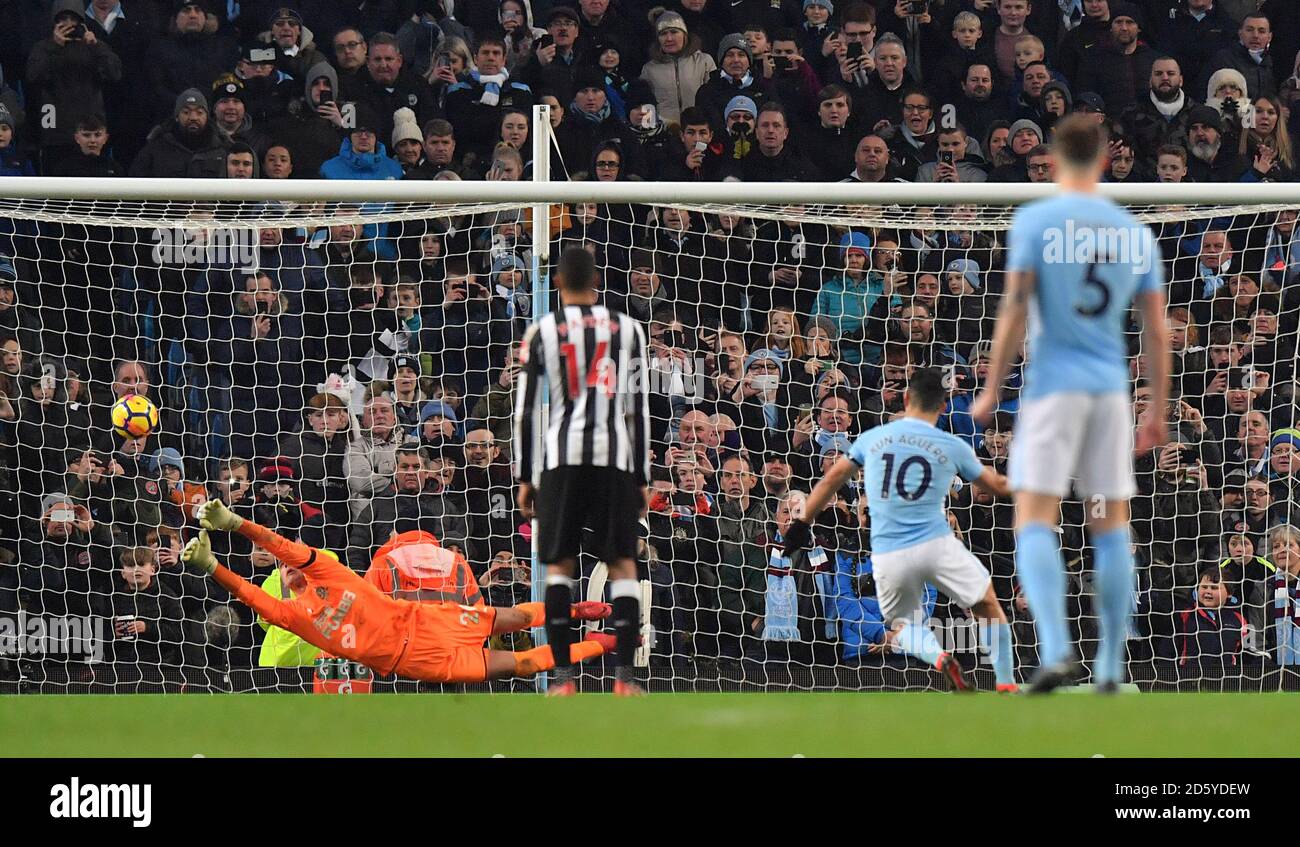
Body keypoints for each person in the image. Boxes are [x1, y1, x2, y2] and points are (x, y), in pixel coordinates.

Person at [970, 114, 1171, 694]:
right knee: (1109, 526)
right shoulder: (1133, 230)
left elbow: (1013, 310)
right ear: (1106, 159)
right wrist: (1155, 407)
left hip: (1052, 391)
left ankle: (1056, 650)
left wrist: (990, 388)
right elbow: (1155, 329)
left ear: (1054, 159)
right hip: (1110, 393)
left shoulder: (1036, 220)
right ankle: (1110, 664)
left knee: (1035, 518)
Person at [180, 500, 616, 684]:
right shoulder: (294, 618)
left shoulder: (330, 572)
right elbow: (253, 598)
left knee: (518, 618)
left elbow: (282, 544)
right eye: (283, 569)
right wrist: (213, 566)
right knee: (521, 664)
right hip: (422, 661)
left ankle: (577, 610)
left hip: (429, 620)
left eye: (291, 564)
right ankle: (601, 645)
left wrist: (236, 524)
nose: (287, 567)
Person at [783, 368, 1016, 692]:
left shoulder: (874, 438)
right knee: (987, 604)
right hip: (935, 542)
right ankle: (1006, 683)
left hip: (889, 548)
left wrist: (800, 523)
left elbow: (831, 480)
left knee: (902, 626)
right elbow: (997, 485)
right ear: (944, 407)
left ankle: (939, 658)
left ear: (907, 400)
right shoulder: (951, 444)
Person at [514, 247, 650, 696]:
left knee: (559, 565)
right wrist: (642, 476)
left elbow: (526, 410)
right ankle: (626, 679)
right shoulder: (629, 329)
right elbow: (639, 410)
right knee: (623, 563)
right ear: (596, 282)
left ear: (557, 281)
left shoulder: (542, 331)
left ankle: (563, 679)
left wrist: (526, 476)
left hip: (560, 460)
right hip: (614, 458)